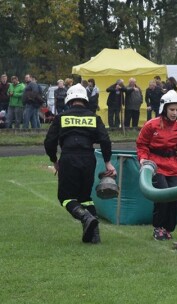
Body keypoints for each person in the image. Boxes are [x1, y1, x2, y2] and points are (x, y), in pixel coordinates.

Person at [44, 84, 116, 244]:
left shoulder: (61, 117)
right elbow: (105, 140)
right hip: (89, 159)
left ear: (69, 99)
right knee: (85, 197)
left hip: (69, 158)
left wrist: (54, 160)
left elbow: (49, 142)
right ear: (85, 99)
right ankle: (94, 236)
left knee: (65, 197)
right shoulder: (94, 118)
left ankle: (85, 218)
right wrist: (108, 163)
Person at [137, 90, 177, 240]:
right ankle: (158, 228)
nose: (174, 113)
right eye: (172, 109)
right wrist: (144, 160)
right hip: (156, 165)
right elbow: (142, 145)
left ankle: (168, 229)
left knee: (176, 199)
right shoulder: (151, 125)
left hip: (173, 167)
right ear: (164, 108)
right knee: (163, 195)